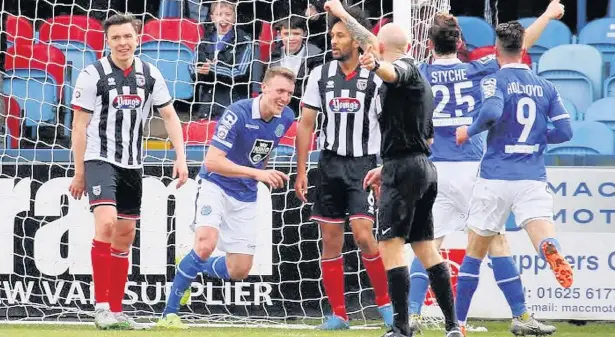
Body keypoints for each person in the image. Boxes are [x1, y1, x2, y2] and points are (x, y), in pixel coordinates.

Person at [407, 1, 565, 334]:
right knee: (497, 244)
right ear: (460, 43)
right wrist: (548, 15)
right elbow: (518, 47)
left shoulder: (420, 72)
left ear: (429, 44)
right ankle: (521, 318)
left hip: (434, 169)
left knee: (427, 243)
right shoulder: (477, 69)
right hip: (471, 166)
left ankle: (412, 315)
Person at [323, 2, 461, 336]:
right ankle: (452, 326)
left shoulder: (405, 71)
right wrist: (342, 14)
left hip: (405, 170)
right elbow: (422, 137)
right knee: (426, 247)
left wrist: (375, 66)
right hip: (420, 168)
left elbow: (392, 73)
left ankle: (401, 327)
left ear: (381, 50)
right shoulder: (420, 79)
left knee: (390, 245)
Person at [68, 13, 189, 330]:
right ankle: (102, 307)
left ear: (137, 38)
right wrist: (79, 171)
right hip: (99, 158)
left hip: (133, 164)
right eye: (115, 38)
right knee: (106, 224)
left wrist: (181, 157)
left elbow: (171, 117)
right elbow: (79, 127)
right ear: (107, 41)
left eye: (127, 36)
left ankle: (118, 310)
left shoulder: (150, 74)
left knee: (125, 235)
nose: (122, 43)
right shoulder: (91, 74)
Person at [454, 21, 574, 336]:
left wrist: (469, 131)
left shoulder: (494, 80)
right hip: (532, 176)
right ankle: (550, 249)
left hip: (495, 177)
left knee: (475, 253)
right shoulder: (546, 86)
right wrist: (538, 137)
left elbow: (492, 112)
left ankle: (459, 325)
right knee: (543, 234)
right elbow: (565, 131)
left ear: (496, 50)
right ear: (524, 50)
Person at [156, 67, 297, 329]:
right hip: (216, 185)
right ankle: (168, 314)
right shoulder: (238, 113)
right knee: (205, 243)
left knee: (239, 270)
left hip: (245, 195)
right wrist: (259, 173)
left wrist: (257, 174)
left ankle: (191, 266)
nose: (285, 98)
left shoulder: (286, 117)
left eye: (289, 93)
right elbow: (212, 161)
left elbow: (260, 152)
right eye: (279, 91)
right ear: (264, 88)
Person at [294, 4, 393, 330]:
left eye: (340, 35)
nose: (333, 41)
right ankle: (339, 313)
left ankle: (387, 306)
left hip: (364, 166)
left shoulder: (376, 78)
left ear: (356, 40)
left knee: (364, 236)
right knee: (331, 239)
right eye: (332, 35)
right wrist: (302, 170)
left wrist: (386, 167)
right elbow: (306, 124)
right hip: (329, 164)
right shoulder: (318, 76)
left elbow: (391, 125)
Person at [190, 0, 257, 119]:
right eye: (219, 14)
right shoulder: (205, 40)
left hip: (233, 104)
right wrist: (198, 70)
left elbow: (240, 71)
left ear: (235, 18)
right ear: (212, 18)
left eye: (228, 14)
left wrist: (212, 69)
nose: (223, 18)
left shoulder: (245, 41)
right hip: (207, 104)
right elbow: (192, 66)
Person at [270, 15, 323, 115]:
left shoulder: (316, 56)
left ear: (305, 34)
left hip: (305, 108)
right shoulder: (273, 56)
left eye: (296, 34)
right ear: (279, 34)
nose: (291, 38)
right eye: (286, 34)